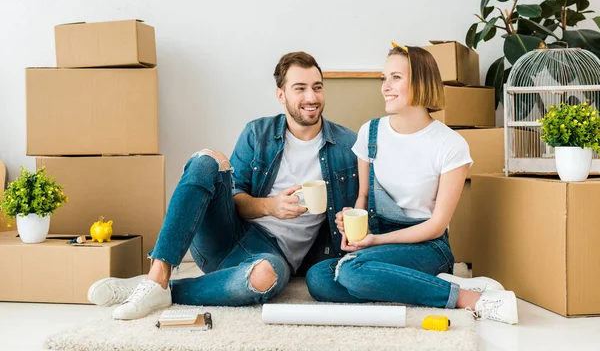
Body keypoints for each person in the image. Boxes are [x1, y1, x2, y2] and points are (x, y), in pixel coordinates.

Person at [87, 51, 359, 320]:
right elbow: (234, 196)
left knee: (265, 277)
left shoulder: (347, 145)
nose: (311, 98)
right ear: (281, 95)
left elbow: (361, 206)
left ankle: (158, 288)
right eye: (300, 88)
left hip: (272, 255)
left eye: (317, 88)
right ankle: (158, 273)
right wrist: (271, 206)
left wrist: (346, 219)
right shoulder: (258, 133)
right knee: (207, 159)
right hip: (225, 236)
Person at [305, 44, 519, 325]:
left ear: (420, 81)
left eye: (395, 77)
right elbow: (364, 197)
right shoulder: (370, 132)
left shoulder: (450, 144)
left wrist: (375, 241)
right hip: (376, 248)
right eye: (384, 78)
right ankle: (430, 286)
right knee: (318, 278)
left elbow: (437, 225)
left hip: (428, 248)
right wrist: (352, 220)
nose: (385, 86)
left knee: (351, 273)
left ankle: (472, 299)